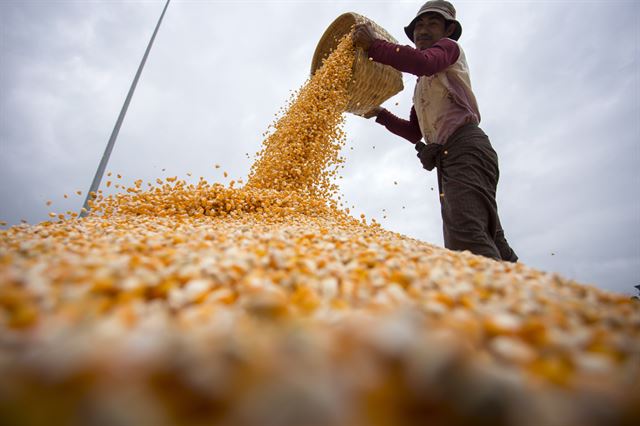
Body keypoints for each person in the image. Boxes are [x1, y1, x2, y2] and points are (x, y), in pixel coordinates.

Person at [352, 0, 517, 262]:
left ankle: (489, 296)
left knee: (467, 237)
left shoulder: (448, 51)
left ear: (448, 30)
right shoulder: (422, 86)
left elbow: (423, 63)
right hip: (449, 157)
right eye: (419, 25)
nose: (423, 30)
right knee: (487, 233)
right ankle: (522, 289)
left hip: (467, 148)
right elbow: (413, 132)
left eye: (432, 24)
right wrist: (380, 114)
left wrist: (375, 46)